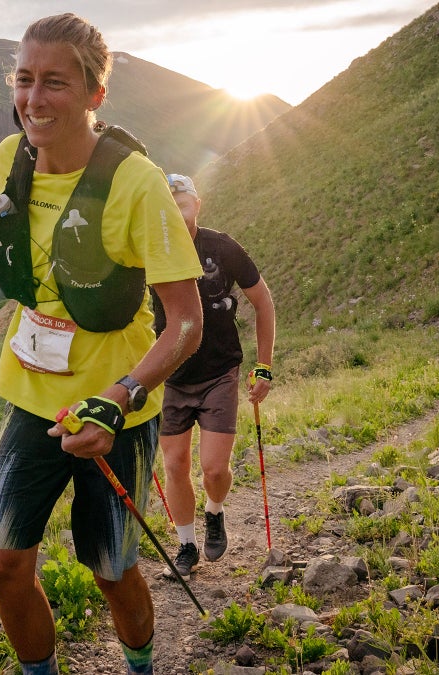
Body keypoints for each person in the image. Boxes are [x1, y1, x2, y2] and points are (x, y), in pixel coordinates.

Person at [0, 13, 202, 675]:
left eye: (55, 82)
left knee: (111, 569)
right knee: (2, 563)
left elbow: (186, 322)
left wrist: (119, 397)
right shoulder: (10, 156)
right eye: (25, 79)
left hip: (117, 411)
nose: (34, 98)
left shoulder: (137, 184)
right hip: (33, 396)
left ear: (93, 95)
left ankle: (140, 665)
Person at [152, 173, 275, 579]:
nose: (175, 202)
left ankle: (215, 511)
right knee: (174, 464)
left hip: (221, 372)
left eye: (182, 196)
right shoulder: (150, 251)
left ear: (197, 202)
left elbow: (263, 303)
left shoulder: (222, 248)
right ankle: (186, 545)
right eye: (168, 198)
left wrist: (264, 366)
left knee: (214, 469)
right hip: (171, 375)